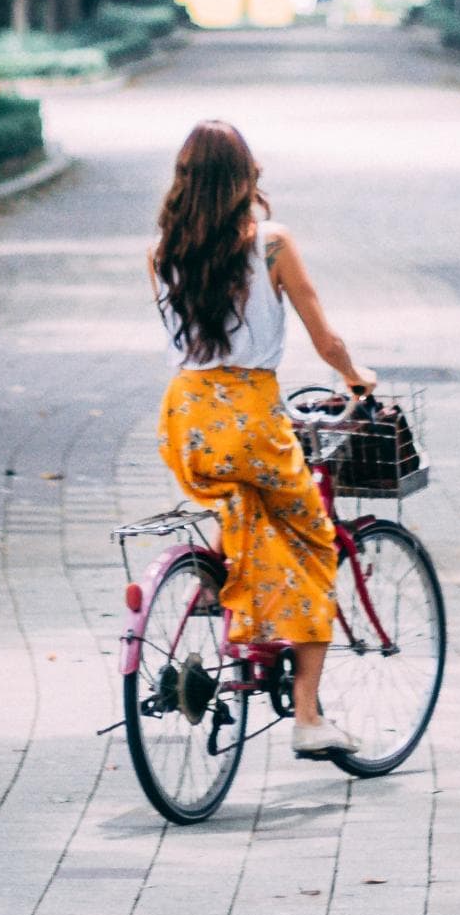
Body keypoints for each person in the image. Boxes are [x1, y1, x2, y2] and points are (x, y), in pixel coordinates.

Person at [150, 119, 377, 757]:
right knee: (315, 543)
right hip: (250, 415)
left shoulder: (161, 251)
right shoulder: (271, 245)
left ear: (184, 178)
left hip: (186, 416)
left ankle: (214, 586)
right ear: (246, 177)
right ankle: (308, 718)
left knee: (239, 501)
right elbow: (325, 338)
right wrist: (355, 376)